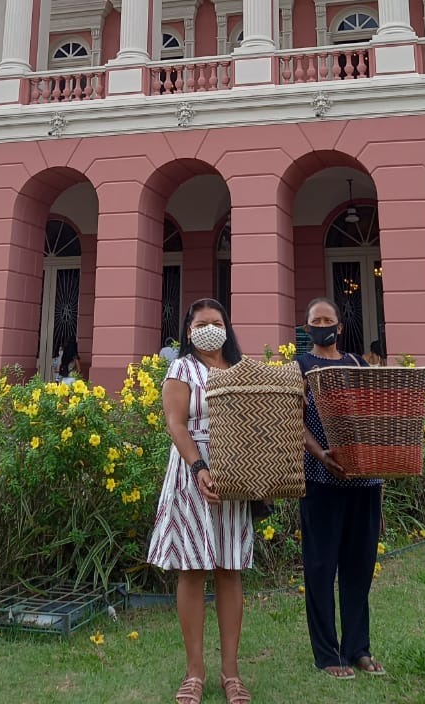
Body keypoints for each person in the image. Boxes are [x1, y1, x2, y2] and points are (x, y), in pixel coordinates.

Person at [148, 299, 253, 704]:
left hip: (234, 475)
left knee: (229, 569)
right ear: (189, 331)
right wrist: (198, 466)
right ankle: (194, 672)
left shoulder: (240, 370)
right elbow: (175, 423)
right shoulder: (182, 368)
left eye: (217, 322)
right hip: (193, 471)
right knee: (191, 570)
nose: (210, 328)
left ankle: (231, 673)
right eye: (201, 323)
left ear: (227, 328)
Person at [297, 298, 386, 679]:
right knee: (320, 568)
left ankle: (358, 649)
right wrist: (321, 454)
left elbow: (373, 420)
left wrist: (380, 497)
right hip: (321, 481)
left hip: (364, 481)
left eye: (328, 320)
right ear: (307, 328)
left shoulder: (357, 364)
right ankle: (327, 655)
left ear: (339, 326)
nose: (323, 326)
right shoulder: (299, 367)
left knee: (359, 568)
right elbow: (294, 421)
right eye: (316, 321)